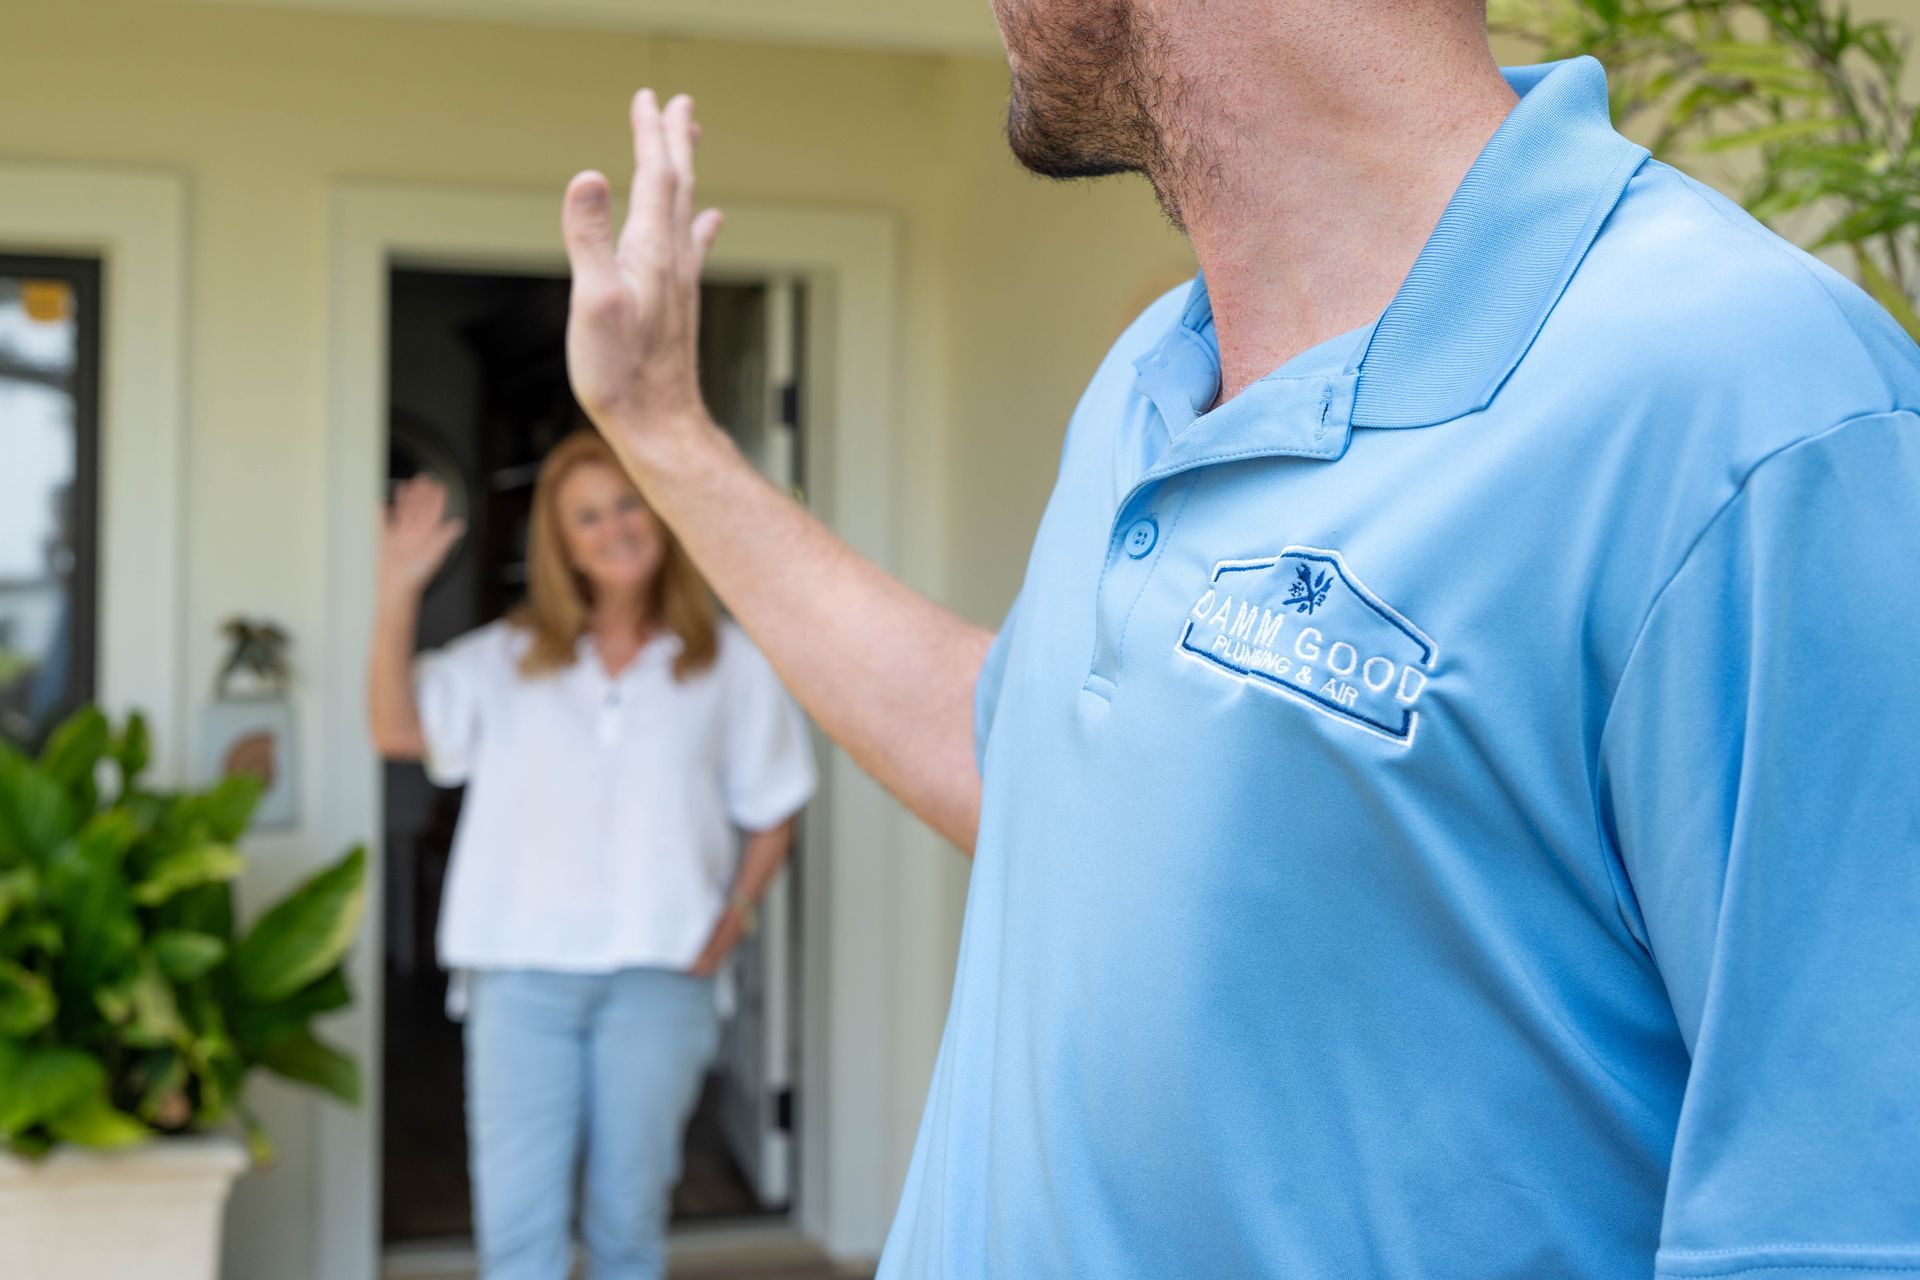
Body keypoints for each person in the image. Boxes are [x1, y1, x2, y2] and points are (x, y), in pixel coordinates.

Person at [555, 1, 1920, 1275]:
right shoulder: (1154, 374)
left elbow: (1839, 1226)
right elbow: (1024, 766)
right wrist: (667, 439)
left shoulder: (1757, 416)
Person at [366, 429, 815, 1280]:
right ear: (561, 543)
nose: (612, 528)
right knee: (519, 1234)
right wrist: (397, 591)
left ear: (660, 511)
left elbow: (776, 807)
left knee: (629, 1226)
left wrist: (737, 913)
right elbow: (394, 729)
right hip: (520, 977)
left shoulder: (730, 664)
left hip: (663, 975)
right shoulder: (505, 658)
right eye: (585, 517)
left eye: (626, 503)